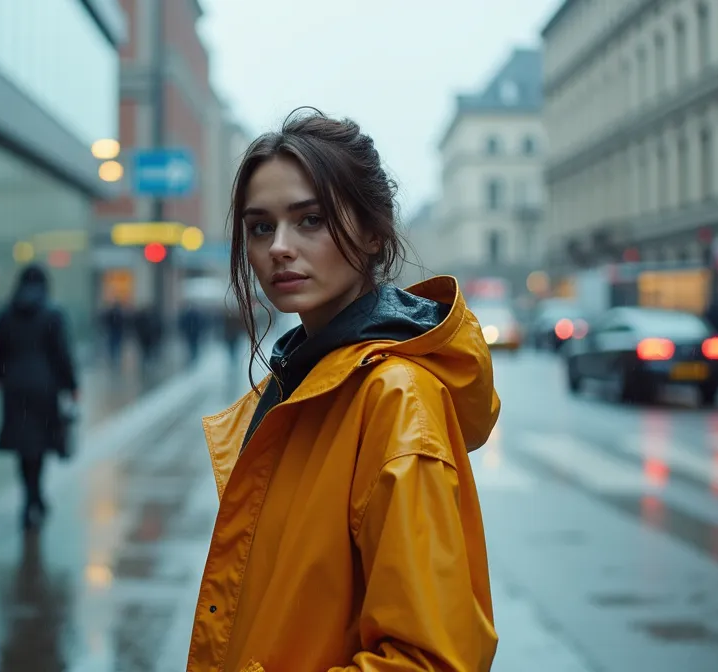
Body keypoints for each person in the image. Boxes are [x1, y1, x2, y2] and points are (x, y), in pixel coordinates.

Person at [187, 109, 499, 671]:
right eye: (261, 227)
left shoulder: (395, 399)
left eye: (310, 220)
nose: (279, 247)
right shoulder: (304, 383)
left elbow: (430, 660)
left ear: (374, 232)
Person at [0, 264, 79, 529]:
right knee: (40, 444)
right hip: (45, 388)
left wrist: (2, 376)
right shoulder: (53, 313)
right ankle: (34, 498)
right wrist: (71, 385)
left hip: (14, 388)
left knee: (22, 446)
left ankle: (31, 498)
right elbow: (62, 353)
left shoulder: (6, 313)